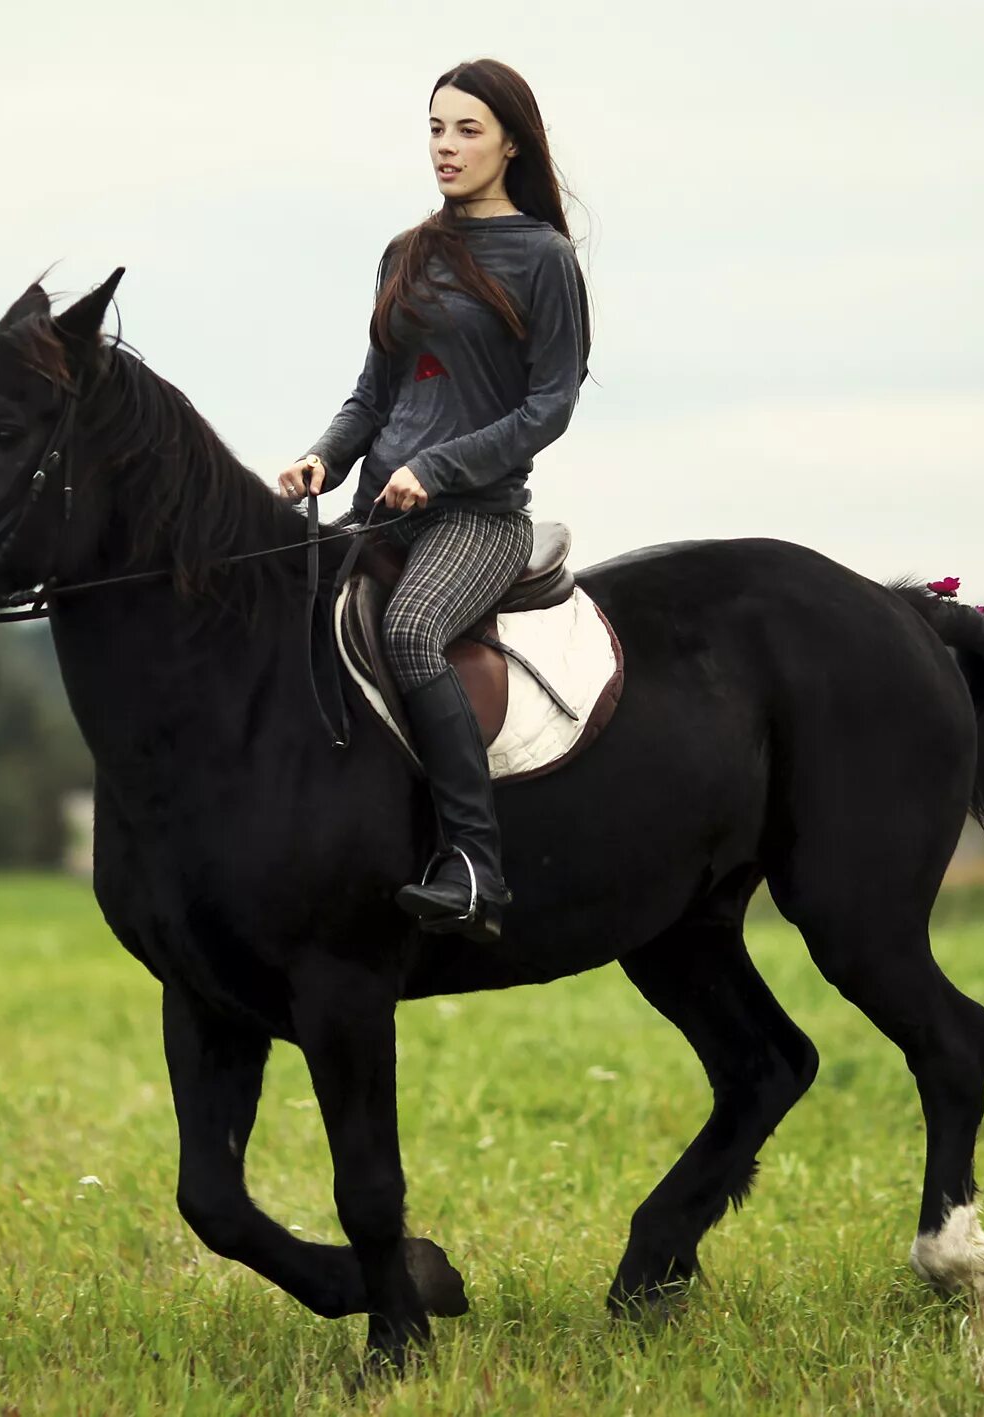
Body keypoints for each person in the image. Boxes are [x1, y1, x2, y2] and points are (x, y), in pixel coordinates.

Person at [276, 58, 591, 943]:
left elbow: (549, 405)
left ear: (510, 144)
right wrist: (321, 458)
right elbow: (373, 395)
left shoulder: (543, 258)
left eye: (467, 131)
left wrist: (442, 468)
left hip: (479, 517)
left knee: (412, 629)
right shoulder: (404, 253)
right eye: (435, 129)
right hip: (383, 506)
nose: (445, 149)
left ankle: (473, 867)